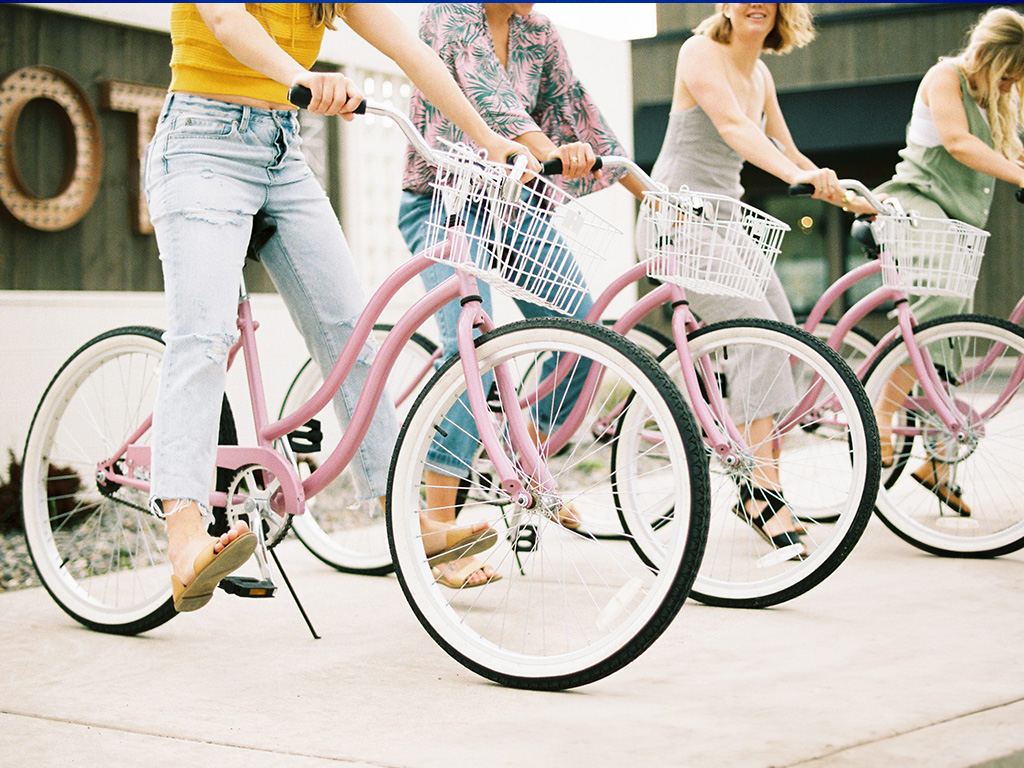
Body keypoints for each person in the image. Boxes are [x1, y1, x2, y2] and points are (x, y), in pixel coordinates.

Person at [145, 2, 538, 612]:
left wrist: (489, 140)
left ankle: (405, 525)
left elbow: (416, 55)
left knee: (351, 332)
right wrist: (298, 76)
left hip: (280, 148)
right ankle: (184, 531)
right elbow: (226, 23)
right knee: (203, 333)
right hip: (201, 144)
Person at [396, 2, 647, 589]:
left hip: (513, 206)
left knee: (585, 331)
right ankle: (439, 532)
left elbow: (580, 112)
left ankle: (522, 445)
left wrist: (645, 189)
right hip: (445, 199)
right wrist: (536, 143)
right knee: (473, 355)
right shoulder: (450, 14)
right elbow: (489, 100)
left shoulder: (538, 32)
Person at [636, 3, 870, 558]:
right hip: (678, 216)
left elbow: (789, 151)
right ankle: (762, 491)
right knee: (757, 330)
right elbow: (735, 128)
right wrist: (797, 177)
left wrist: (844, 192)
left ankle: (759, 474)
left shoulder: (760, 73)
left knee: (782, 334)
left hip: (727, 221)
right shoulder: (699, 51)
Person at [870, 5, 1024, 515]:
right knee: (937, 305)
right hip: (915, 201)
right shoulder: (945, 76)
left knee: (949, 334)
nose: (1010, 90)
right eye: (1009, 78)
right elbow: (956, 143)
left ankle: (938, 462)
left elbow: (1015, 153)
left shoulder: (997, 98)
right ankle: (882, 413)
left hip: (957, 221)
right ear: (990, 58)